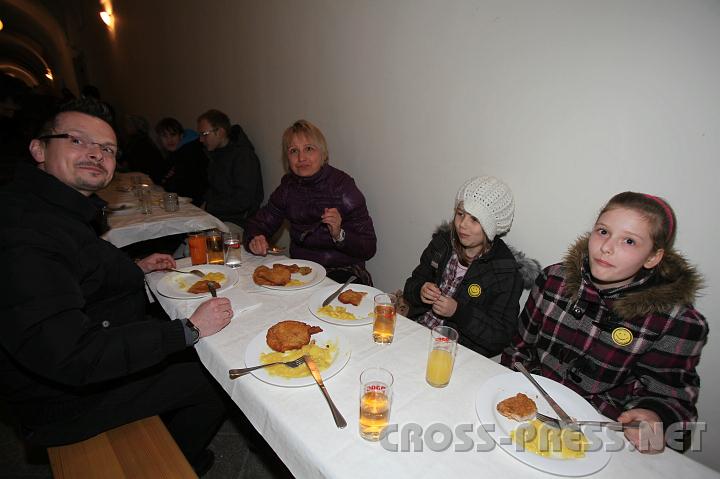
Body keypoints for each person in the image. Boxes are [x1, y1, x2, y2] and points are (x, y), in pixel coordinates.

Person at [0, 98, 234, 475]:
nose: (95, 153)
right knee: (215, 374)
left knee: (199, 353)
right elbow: (72, 356)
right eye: (77, 140)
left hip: (75, 367)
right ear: (39, 148)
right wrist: (186, 331)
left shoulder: (54, 209)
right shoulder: (24, 232)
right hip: (63, 400)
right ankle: (174, 462)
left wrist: (134, 271)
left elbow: (79, 276)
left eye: (107, 148)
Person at [501, 192, 708, 453]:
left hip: (603, 438)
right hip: (532, 410)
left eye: (629, 241)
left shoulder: (675, 323)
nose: (607, 247)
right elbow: (518, 348)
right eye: (603, 232)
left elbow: (674, 401)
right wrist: (514, 388)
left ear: (652, 257)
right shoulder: (553, 281)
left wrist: (656, 418)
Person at [404, 176, 526, 356]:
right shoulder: (443, 245)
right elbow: (411, 286)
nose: (462, 225)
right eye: (460, 214)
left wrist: (458, 312)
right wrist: (420, 291)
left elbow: (500, 337)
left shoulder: (505, 272)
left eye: (475, 219)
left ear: (491, 227)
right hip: (419, 333)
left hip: (459, 354)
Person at [244, 119, 377, 285]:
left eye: (309, 149)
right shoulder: (287, 187)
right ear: (287, 158)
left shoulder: (342, 186)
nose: (301, 158)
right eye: (294, 151)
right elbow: (259, 223)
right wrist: (255, 238)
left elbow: (369, 247)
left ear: (323, 153)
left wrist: (339, 234)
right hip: (301, 273)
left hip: (341, 274)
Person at [197, 109, 263, 232]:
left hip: (238, 222)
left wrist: (210, 206)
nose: (201, 139)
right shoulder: (216, 155)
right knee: (184, 237)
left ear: (220, 132)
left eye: (204, 134)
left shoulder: (243, 157)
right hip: (217, 217)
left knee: (200, 245)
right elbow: (213, 190)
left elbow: (243, 201)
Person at [155, 117, 207, 206]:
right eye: (164, 136)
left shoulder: (190, 152)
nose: (169, 140)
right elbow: (159, 176)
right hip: (181, 200)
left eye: (173, 135)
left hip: (194, 204)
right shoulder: (173, 153)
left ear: (181, 136)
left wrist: (166, 181)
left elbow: (179, 186)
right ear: (159, 139)